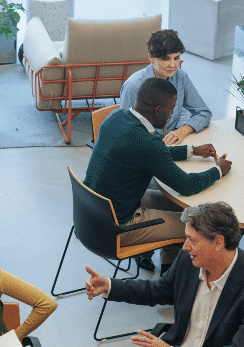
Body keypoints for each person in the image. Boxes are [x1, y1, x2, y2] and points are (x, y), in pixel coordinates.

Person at [84, 202, 244, 347]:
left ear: (218, 242)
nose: (185, 246)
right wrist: (109, 285)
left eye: (192, 240)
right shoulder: (189, 259)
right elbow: (159, 291)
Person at [85, 77, 231, 270]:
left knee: (177, 204)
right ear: (157, 110)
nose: (171, 114)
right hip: (116, 227)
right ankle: (174, 283)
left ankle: (167, 269)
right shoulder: (147, 143)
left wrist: (192, 150)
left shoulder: (116, 117)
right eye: (170, 110)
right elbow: (186, 185)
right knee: (199, 229)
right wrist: (218, 170)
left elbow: (151, 153)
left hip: (91, 212)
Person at [117, 29, 212, 146]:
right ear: (151, 57)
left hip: (170, 145)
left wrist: (183, 130)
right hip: (143, 149)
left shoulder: (181, 77)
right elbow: (127, 133)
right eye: (166, 59)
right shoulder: (133, 86)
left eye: (176, 58)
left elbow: (203, 112)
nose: (173, 65)